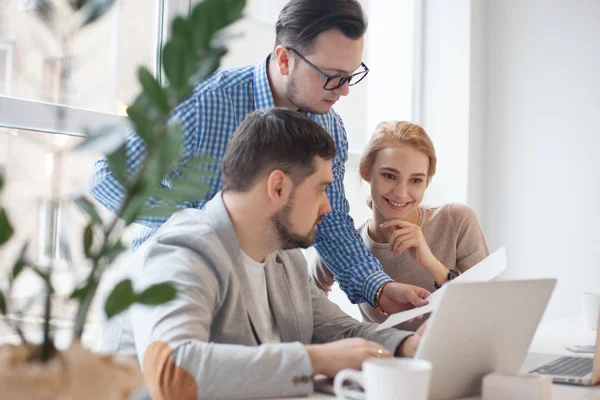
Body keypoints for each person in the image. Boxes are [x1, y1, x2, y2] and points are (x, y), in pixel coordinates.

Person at [89, 0, 430, 314]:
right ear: (284, 59)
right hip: (173, 289)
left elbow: (331, 221)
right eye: (331, 77)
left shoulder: (329, 125)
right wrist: (197, 228)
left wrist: (379, 288)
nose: (344, 90)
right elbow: (107, 178)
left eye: (351, 75)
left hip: (259, 298)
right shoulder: (204, 103)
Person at [100, 109, 426, 400]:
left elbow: (342, 331)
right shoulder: (182, 250)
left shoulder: (282, 256)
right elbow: (171, 373)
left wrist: (407, 345)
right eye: (319, 189)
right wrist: (316, 360)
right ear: (278, 187)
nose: (327, 206)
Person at [311, 121, 489, 330]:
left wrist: (431, 262)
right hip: (383, 360)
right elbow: (308, 298)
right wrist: (350, 334)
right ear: (366, 172)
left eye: (415, 180)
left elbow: (486, 309)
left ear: (427, 182)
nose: (401, 193)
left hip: (453, 358)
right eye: (389, 176)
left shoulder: (456, 220)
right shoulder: (348, 247)